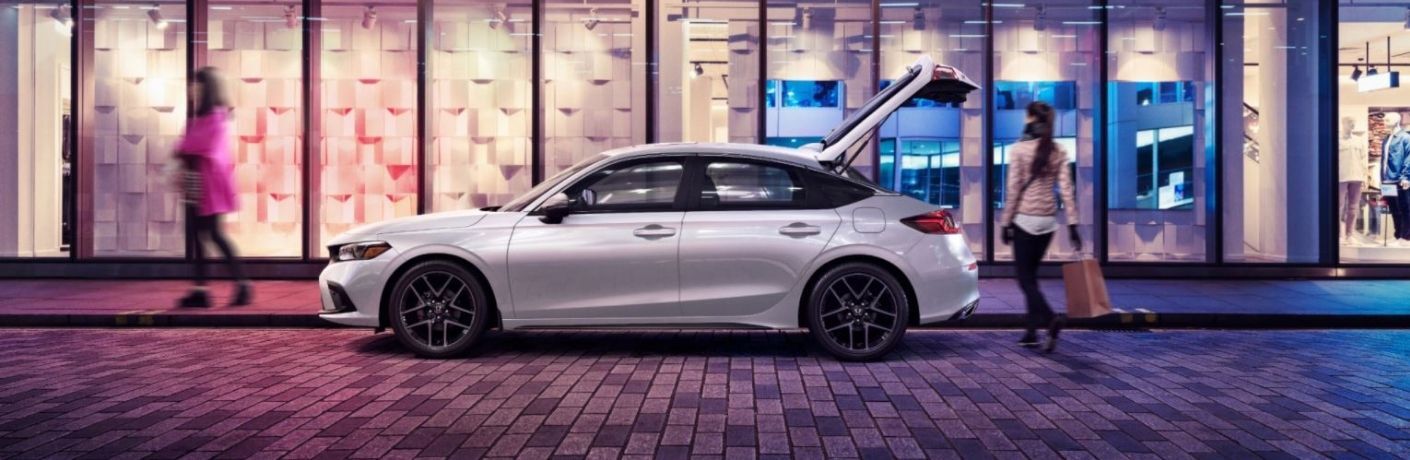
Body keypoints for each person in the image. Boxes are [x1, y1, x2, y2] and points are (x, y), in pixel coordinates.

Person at [1000, 101, 1081, 353]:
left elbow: (1014, 189)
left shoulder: (1019, 149)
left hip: (1025, 220)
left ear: (1031, 118)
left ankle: (1050, 318)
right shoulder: (1058, 150)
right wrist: (1073, 224)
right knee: (1032, 278)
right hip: (1048, 223)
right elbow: (1066, 189)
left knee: (1024, 279)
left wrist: (1006, 222)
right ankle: (1031, 331)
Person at [175, 67, 250, 308]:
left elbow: (196, 146)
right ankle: (201, 290)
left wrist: (185, 149)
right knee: (198, 236)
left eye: (196, 84)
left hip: (208, 185)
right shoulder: (201, 118)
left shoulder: (217, 118)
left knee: (214, 234)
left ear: (207, 88)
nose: (191, 89)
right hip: (195, 182)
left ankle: (242, 284)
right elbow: (186, 146)